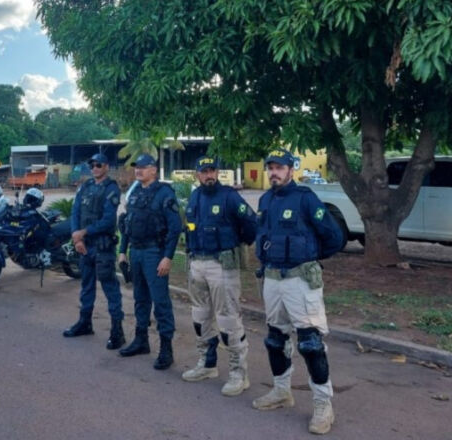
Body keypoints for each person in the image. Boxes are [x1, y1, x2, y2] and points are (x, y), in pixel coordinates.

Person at [252, 148, 344, 435]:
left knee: (310, 343)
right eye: (271, 168)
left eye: (280, 168)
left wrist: (310, 258)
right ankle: (282, 391)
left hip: (299, 280)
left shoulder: (305, 198)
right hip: (272, 279)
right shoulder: (266, 200)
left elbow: (334, 237)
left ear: (291, 170)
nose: (274, 172)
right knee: (275, 339)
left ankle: (322, 405)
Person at [182, 156, 257, 396]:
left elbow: (251, 223)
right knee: (200, 317)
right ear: (197, 175)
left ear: (218, 172)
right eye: (204, 172)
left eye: (212, 171)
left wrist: (241, 242)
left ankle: (238, 374)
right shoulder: (194, 197)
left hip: (222, 265)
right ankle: (207, 364)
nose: (208, 175)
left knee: (228, 320)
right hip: (197, 264)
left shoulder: (229, 196)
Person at [117, 154, 182, 370]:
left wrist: (168, 257)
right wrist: (122, 251)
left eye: (143, 167)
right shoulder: (135, 192)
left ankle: (166, 349)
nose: (139, 170)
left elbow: (174, 228)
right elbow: (126, 223)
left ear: (154, 170)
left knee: (160, 301)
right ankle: (141, 340)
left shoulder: (164, 193)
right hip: (136, 251)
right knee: (140, 299)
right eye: (137, 167)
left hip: (155, 252)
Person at [63, 153, 125, 350]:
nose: (95, 168)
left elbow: (108, 220)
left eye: (98, 165)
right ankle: (85, 323)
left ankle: (117, 332)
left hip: (102, 247)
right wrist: (76, 235)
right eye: (92, 165)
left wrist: (84, 232)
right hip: (84, 246)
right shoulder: (86, 186)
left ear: (106, 166)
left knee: (110, 289)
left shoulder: (111, 188)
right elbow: (75, 212)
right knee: (86, 287)